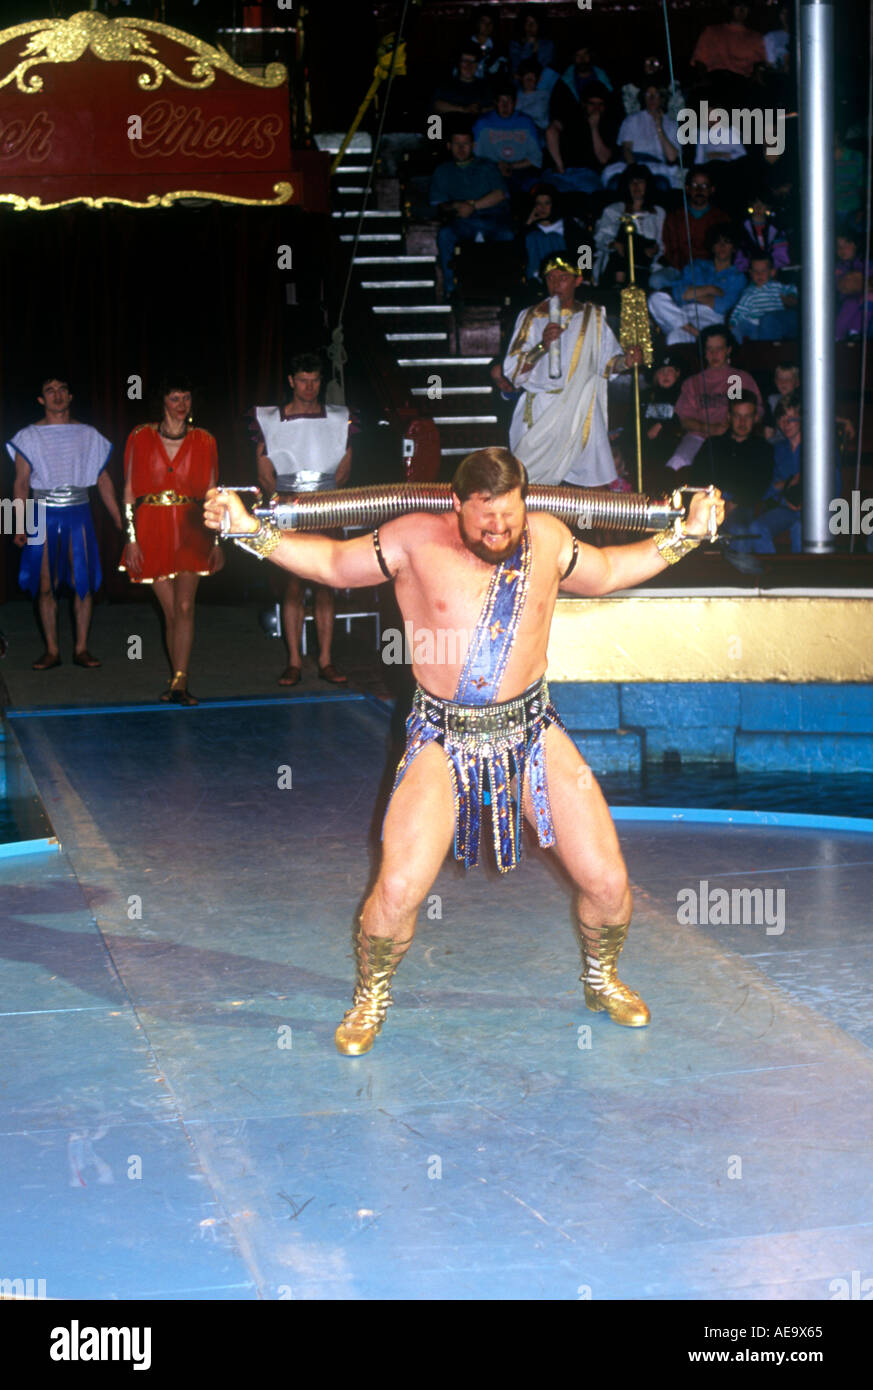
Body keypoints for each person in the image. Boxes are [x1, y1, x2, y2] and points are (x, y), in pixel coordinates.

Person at [205, 448, 724, 1054]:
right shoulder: (412, 539)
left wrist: (685, 537)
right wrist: (250, 531)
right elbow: (332, 563)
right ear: (456, 506)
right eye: (485, 519)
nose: (499, 529)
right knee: (397, 890)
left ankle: (601, 978)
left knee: (608, 882)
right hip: (441, 738)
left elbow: (607, 571)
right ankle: (371, 996)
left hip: (532, 731)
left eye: (509, 515)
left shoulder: (548, 538)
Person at [119, 377, 223, 704]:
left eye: (186, 397)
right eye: (175, 398)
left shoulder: (205, 440)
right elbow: (128, 493)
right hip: (151, 527)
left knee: (185, 605)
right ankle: (176, 675)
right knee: (171, 610)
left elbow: (212, 494)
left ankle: (180, 680)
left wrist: (217, 542)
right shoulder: (139, 436)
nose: (181, 404)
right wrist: (132, 539)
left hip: (192, 528)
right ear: (163, 402)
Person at [8, 376, 121, 671]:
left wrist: (119, 518)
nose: (57, 395)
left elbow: (103, 478)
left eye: (62, 390)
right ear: (41, 400)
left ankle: (82, 648)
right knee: (45, 585)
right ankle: (52, 650)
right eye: (50, 391)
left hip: (79, 512)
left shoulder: (87, 434)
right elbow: (19, 483)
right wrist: (15, 525)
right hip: (42, 513)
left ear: (70, 397)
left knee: (82, 583)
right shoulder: (27, 436)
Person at [253, 353, 352, 687]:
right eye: (303, 380)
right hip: (288, 508)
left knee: (326, 584)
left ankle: (325, 659)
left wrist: (323, 494)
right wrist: (282, 498)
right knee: (292, 586)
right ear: (292, 381)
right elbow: (265, 468)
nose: (310, 387)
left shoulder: (339, 418)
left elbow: (343, 465)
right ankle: (293, 660)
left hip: (325, 506)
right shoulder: (270, 419)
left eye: (315, 380)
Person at [502, 255, 644, 486]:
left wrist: (627, 361)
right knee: (528, 485)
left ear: (578, 281)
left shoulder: (593, 317)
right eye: (550, 278)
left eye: (563, 278)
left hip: (580, 408)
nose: (556, 284)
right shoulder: (531, 316)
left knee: (588, 487)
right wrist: (542, 346)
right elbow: (514, 372)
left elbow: (608, 364)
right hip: (540, 410)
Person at [429, 126, 514, 297]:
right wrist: (456, 206)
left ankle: (507, 290)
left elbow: (500, 194)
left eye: (465, 144)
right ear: (449, 146)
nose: (461, 148)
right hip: (463, 222)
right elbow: (439, 204)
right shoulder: (442, 171)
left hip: (493, 219)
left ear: (473, 145)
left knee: (508, 235)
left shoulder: (487, 166)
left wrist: (473, 206)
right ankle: (450, 289)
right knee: (445, 234)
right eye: (456, 144)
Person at [666, 325, 762, 472]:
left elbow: (757, 413)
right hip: (698, 437)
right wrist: (710, 428)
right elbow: (684, 420)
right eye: (709, 349)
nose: (714, 354)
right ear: (704, 352)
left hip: (733, 438)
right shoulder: (692, 383)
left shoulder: (738, 378)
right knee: (676, 463)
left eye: (719, 349)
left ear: (728, 350)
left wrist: (733, 429)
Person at [686, 393, 772, 552]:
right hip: (710, 503)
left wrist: (735, 502)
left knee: (738, 530)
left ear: (755, 418)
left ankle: (742, 575)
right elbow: (697, 479)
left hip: (741, 504)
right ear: (729, 417)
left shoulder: (763, 448)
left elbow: (761, 484)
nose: (742, 422)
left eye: (747, 417)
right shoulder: (713, 444)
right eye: (738, 416)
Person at [648, 224, 745, 344]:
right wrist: (710, 289)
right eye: (717, 242)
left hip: (710, 318)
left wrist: (692, 293)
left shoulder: (737, 276)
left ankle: (699, 335)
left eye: (727, 242)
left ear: (734, 247)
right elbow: (677, 293)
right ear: (712, 247)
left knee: (674, 338)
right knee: (655, 298)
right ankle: (699, 335)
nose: (722, 246)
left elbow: (723, 305)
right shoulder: (697, 266)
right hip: (682, 313)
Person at [649, 171, 731, 290]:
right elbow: (669, 249)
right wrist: (685, 270)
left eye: (704, 186)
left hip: (709, 271)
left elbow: (724, 251)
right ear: (687, 189)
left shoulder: (721, 217)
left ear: (712, 190)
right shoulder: (674, 217)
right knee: (656, 280)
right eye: (694, 185)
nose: (699, 190)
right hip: (679, 269)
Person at [593, 164, 666, 288]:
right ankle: (618, 286)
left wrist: (655, 250)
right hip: (619, 261)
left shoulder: (658, 212)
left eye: (640, 182)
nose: (636, 186)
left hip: (647, 264)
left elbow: (662, 243)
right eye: (632, 182)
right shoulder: (613, 210)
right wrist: (612, 244)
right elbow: (601, 238)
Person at [601, 79, 681, 191]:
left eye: (655, 94)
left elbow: (672, 157)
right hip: (632, 163)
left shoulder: (672, 124)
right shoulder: (632, 119)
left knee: (662, 185)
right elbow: (626, 149)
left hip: (656, 166)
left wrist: (659, 128)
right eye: (648, 94)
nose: (651, 98)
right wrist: (635, 170)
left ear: (662, 98)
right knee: (615, 183)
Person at [545, 79, 617, 195]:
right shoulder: (571, 116)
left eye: (600, 104)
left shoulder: (608, 124)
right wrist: (559, 165)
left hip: (587, 174)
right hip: (562, 172)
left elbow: (604, 158)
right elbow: (551, 132)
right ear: (584, 104)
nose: (596, 109)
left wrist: (594, 128)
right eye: (592, 104)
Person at [472, 85, 542, 193]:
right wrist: (496, 167)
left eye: (509, 102)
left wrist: (511, 166)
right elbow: (474, 157)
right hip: (491, 171)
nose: (505, 106)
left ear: (515, 102)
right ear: (495, 102)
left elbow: (536, 158)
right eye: (501, 101)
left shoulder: (526, 122)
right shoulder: (482, 124)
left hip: (520, 170)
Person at [729, 253, 798, 343]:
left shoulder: (776, 286)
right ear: (750, 273)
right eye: (755, 271)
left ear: (772, 272)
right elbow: (740, 310)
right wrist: (732, 323)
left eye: (763, 271)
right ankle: (738, 352)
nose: (759, 274)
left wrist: (790, 296)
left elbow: (791, 288)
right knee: (738, 329)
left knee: (765, 332)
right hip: (753, 324)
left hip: (771, 324)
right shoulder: (748, 292)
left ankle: (764, 350)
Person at [432, 48, 494, 117]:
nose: (469, 65)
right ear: (458, 64)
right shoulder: (447, 85)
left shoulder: (485, 86)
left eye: (473, 61)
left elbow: (493, 108)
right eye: (465, 61)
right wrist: (464, 109)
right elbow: (436, 105)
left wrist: (480, 110)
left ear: (477, 65)